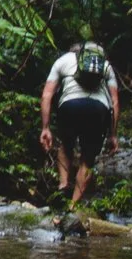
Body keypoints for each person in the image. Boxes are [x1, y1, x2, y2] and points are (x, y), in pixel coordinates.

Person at [38, 33, 120, 209]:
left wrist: (45, 127)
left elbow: (47, 95)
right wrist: (113, 134)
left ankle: (63, 184)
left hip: (69, 107)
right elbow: (115, 102)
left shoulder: (62, 61)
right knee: (87, 160)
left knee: (66, 146)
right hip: (98, 110)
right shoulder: (105, 66)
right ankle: (73, 207)